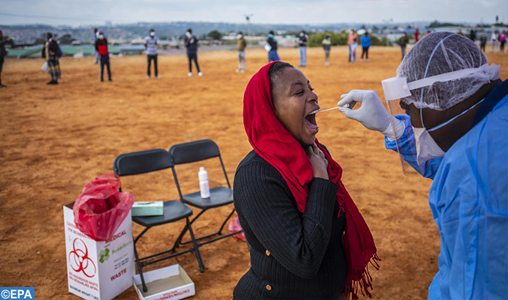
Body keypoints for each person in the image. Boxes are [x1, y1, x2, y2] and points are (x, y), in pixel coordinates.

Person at [337, 32, 508, 300]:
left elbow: (476, 290)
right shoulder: (496, 125)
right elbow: (445, 162)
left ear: (439, 94)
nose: (412, 120)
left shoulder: (474, 173)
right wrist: (390, 127)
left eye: (410, 109)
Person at [234, 61, 380, 300]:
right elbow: (304, 260)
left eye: (310, 89)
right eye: (299, 92)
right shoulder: (256, 176)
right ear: (271, 111)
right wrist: (321, 182)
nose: (313, 96)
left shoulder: (315, 154)